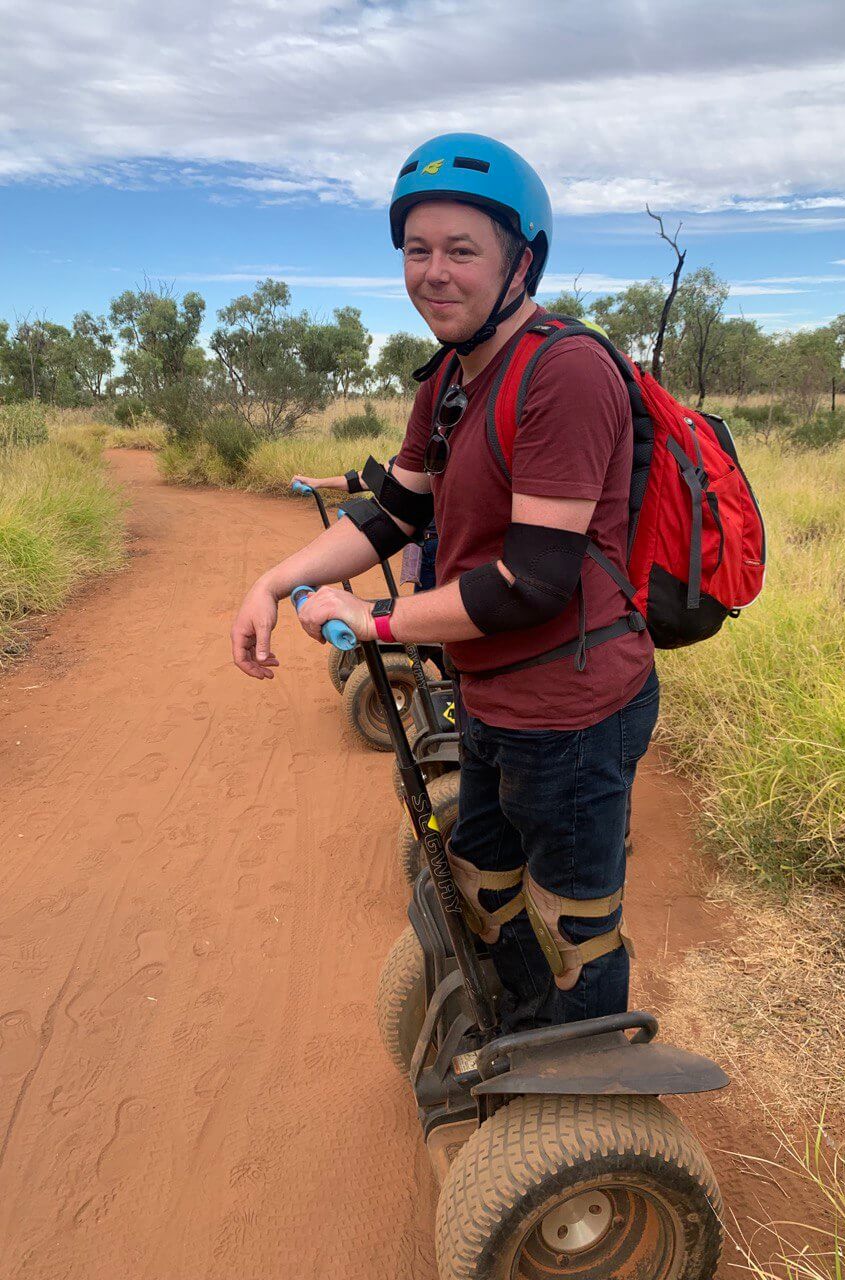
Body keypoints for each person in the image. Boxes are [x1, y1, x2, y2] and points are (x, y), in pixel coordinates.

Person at [232, 132, 658, 1033]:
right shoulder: (452, 380)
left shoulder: (566, 372)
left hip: (574, 709)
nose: (434, 272)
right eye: (417, 250)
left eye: (461, 250)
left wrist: (373, 619)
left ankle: (582, 1083)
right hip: (495, 693)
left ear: (521, 260)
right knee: (479, 880)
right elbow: (392, 512)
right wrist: (274, 582)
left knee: (572, 920)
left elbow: (532, 582)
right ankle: (522, 1028)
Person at [291, 468, 439, 591]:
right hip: (429, 541)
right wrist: (318, 483)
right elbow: (374, 475)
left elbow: (375, 475)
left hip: (438, 543)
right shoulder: (431, 446)